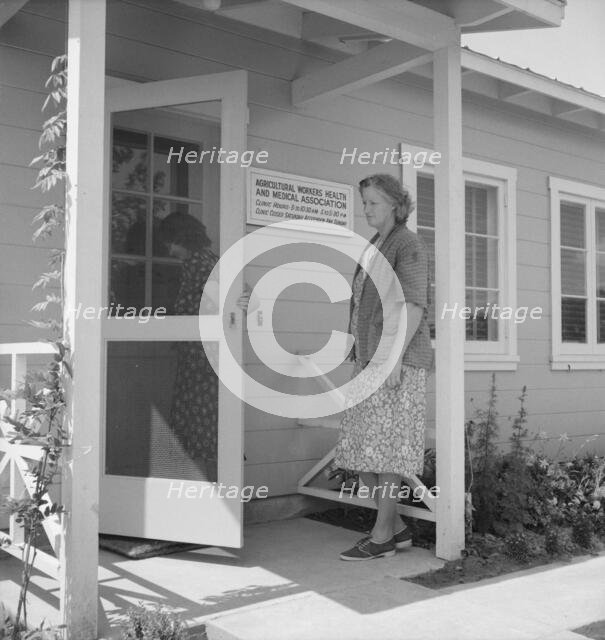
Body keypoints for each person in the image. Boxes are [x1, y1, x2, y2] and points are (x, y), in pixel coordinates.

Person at [334, 173, 433, 561]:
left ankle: (381, 538)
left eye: (373, 202)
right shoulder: (376, 245)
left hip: (396, 362)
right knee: (358, 452)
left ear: (394, 204)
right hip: (368, 361)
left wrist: (390, 358)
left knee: (386, 453)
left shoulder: (407, 244)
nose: (366, 210)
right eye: (364, 203)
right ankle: (399, 529)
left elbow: (413, 305)